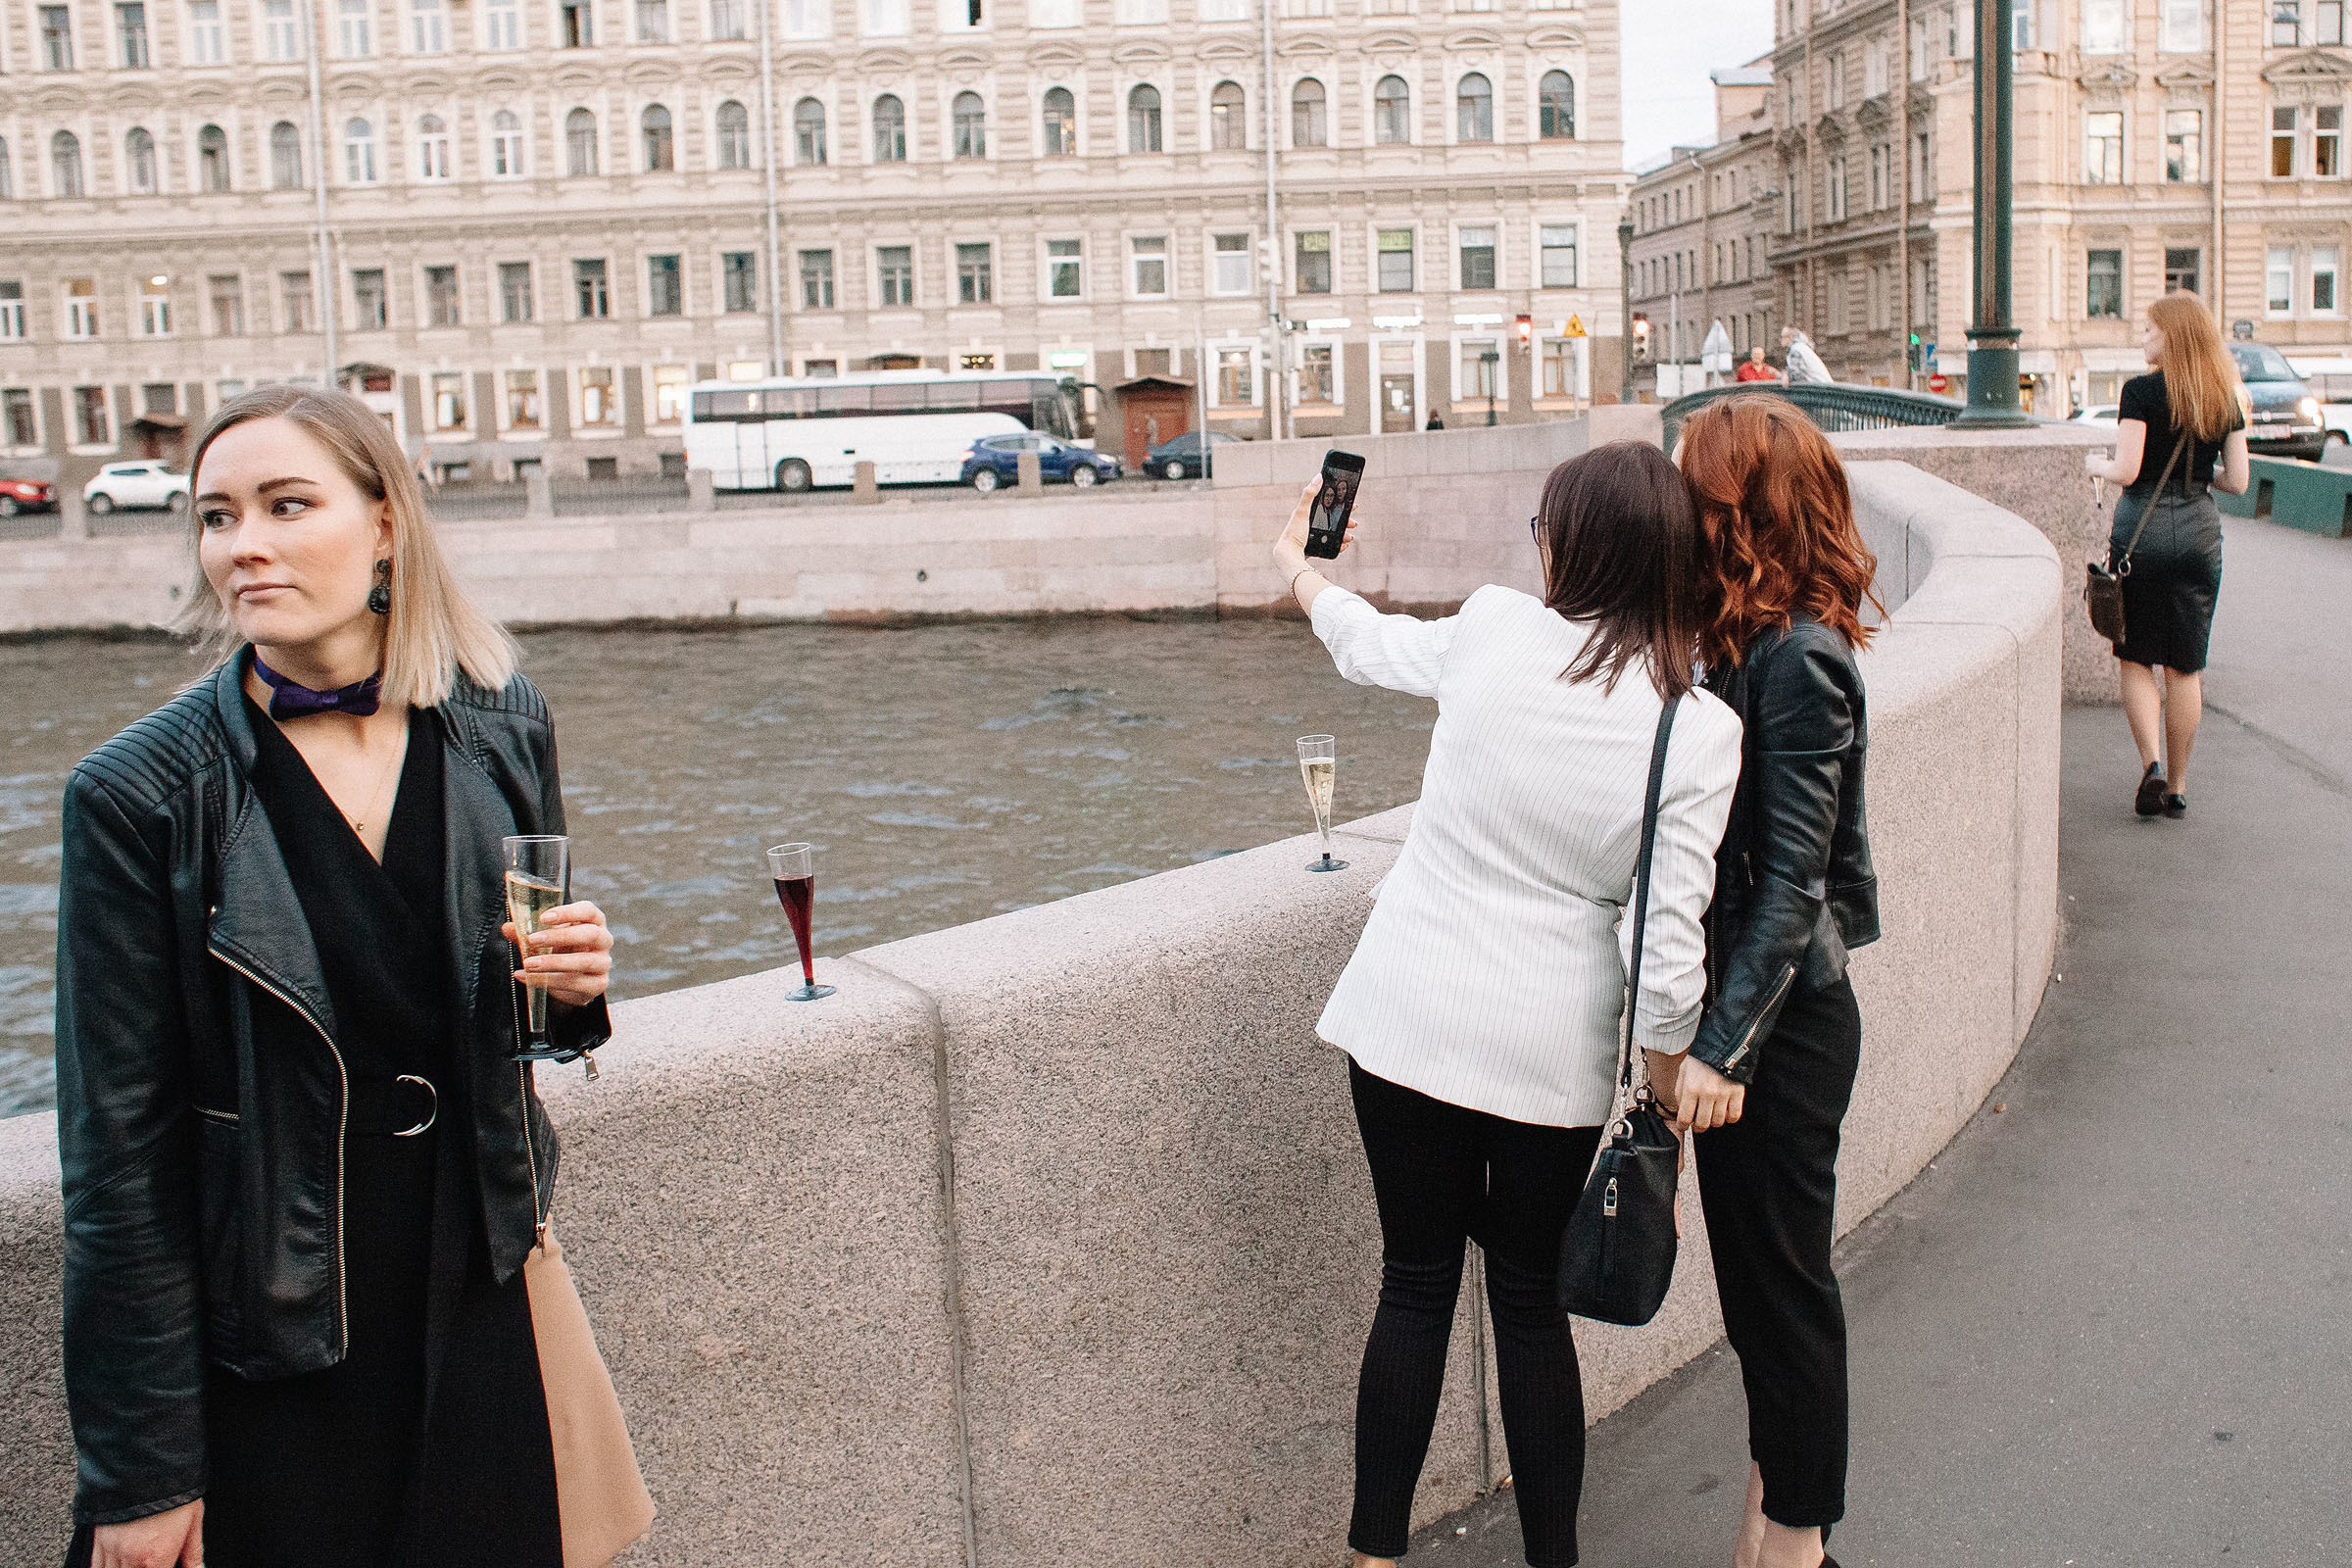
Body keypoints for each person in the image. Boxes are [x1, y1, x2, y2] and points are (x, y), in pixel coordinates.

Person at [56, 386, 619, 1568]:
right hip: (278, 1335)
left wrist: (570, 995)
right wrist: (144, 1471)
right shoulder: (143, 796)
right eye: (216, 516)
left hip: (474, 1293)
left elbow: (520, 1019)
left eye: (285, 504)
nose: (241, 543)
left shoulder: (501, 720)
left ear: (384, 524)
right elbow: (119, 1165)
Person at [1271, 444, 1742, 1568]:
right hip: (1548, 1056)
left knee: (1414, 1283)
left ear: (1572, 542)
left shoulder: (1491, 628)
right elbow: (1666, 944)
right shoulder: (1696, 725)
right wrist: (1672, 1071)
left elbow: (1366, 643)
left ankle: (1373, 1557)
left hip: (1406, 1019)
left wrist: (1298, 564)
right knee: (1529, 1307)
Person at [1667, 395, 1882, 1568]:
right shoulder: (1757, 641)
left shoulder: (1801, 658)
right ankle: (1767, 1531)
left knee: (1786, 1300)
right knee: (1758, 1301)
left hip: (1781, 1031)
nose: (1683, 511)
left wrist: (1718, 1047)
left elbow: (1792, 885)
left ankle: (1798, 1546)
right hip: (1762, 1017)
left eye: (1697, 492)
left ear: (1743, 507)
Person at [2082, 291, 2250, 818]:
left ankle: (2151, 766)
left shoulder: (2139, 393)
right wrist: (2198, 478)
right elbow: (2240, 482)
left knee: (2135, 657)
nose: (2143, 337)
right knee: (2185, 668)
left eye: (2150, 330)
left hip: (2142, 536)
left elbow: (2128, 470)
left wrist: (2098, 464)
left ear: (2172, 335)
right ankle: (2177, 786)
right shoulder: (2225, 396)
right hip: (2199, 535)